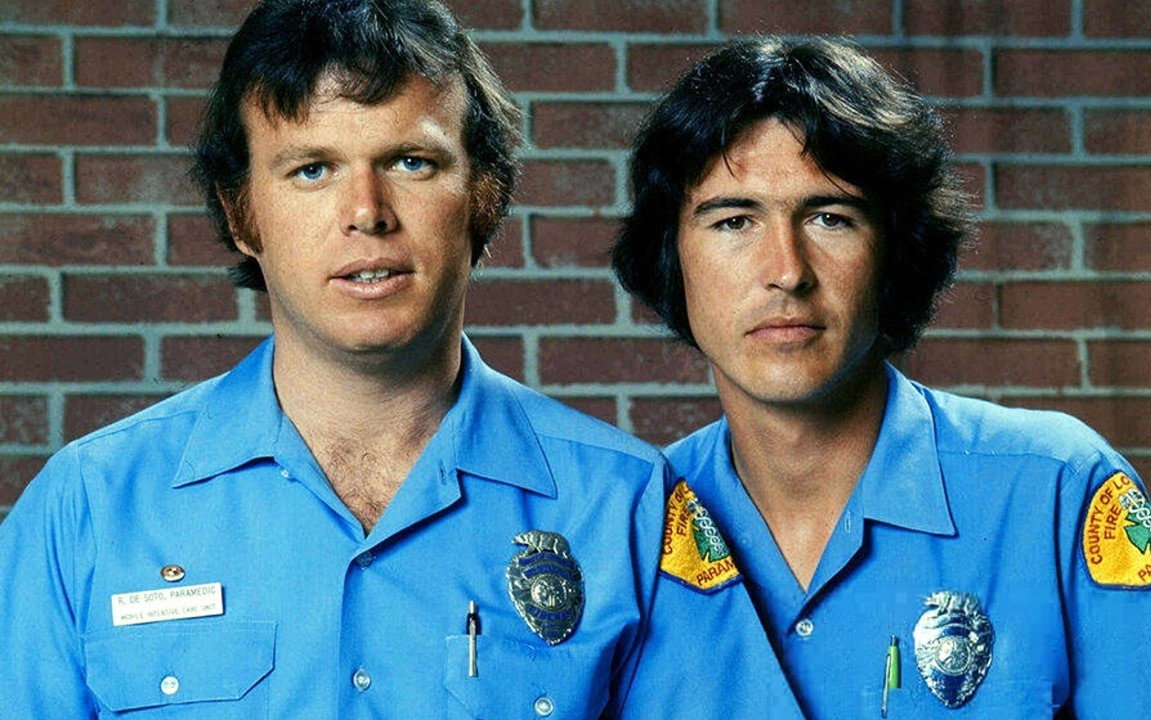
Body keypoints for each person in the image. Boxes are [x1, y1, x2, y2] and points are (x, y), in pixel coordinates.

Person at [0, 1, 670, 717]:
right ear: (241, 215)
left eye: (411, 162)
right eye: (312, 169)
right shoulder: (88, 506)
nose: (366, 212)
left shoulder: (626, 505)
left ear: (485, 194)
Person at [612, 37, 1151, 719]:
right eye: (733, 221)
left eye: (830, 217)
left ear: (896, 251)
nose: (786, 270)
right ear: (671, 256)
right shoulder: (628, 527)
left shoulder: (1054, 490)